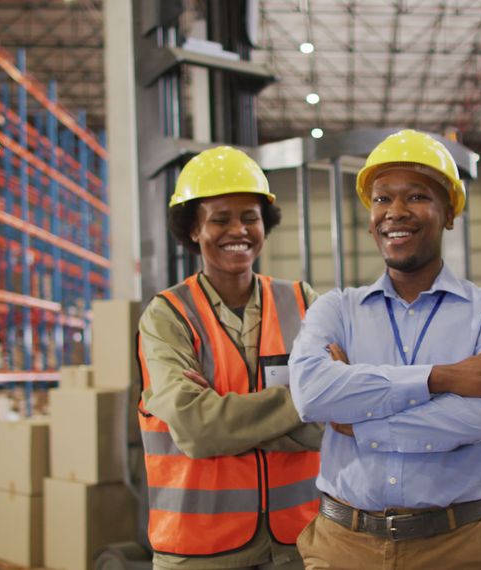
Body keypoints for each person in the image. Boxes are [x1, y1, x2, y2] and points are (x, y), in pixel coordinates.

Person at [288, 129, 481, 569]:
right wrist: (441, 378)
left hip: (457, 545)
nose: (395, 212)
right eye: (381, 199)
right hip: (344, 545)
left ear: (449, 212)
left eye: (417, 196)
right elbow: (311, 395)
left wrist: (356, 420)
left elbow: (479, 418)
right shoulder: (335, 310)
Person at [136, 146, 323, 570]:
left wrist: (227, 418)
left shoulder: (302, 302)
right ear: (193, 229)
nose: (237, 230)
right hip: (199, 550)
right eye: (220, 218)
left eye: (250, 217)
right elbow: (197, 430)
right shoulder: (167, 315)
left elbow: (336, 418)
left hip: (299, 543)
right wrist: (304, 402)